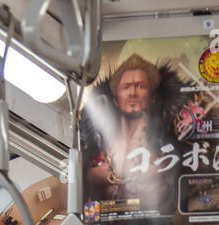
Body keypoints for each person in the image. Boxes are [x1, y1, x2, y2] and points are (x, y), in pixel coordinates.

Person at [82, 54, 200, 214]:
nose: (133, 93)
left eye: (140, 86)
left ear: (152, 97)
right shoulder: (97, 147)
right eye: (126, 87)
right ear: (116, 99)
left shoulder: (167, 149)